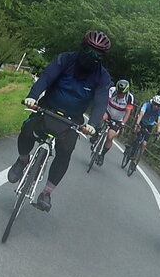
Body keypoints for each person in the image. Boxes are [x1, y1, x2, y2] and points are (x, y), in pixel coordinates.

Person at [8, 30, 113, 212]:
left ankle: (47, 193)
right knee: (27, 130)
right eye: (89, 51)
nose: (92, 56)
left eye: (97, 55)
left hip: (72, 119)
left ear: (102, 57)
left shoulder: (102, 77)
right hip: (47, 107)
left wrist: (92, 125)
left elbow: (101, 102)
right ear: (82, 47)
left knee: (65, 151)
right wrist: (33, 96)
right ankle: (23, 159)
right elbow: (46, 77)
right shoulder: (65, 59)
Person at [94, 79, 134, 162]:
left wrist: (123, 123)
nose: (119, 94)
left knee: (110, 137)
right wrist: (101, 111)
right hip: (108, 111)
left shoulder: (129, 97)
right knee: (101, 118)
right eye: (118, 92)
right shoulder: (112, 90)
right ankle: (96, 134)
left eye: (122, 93)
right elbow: (105, 102)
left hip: (118, 119)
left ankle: (102, 154)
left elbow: (128, 112)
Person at [130, 95, 160, 167]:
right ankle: (129, 142)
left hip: (149, 125)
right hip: (141, 122)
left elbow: (159, 122)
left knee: (144, 144)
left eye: (158, 105)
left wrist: (158, 132)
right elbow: (141, 114)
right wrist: (137, 124)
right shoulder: (146, 105)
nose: (156, 106)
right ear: (152, 103)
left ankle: (136, 160)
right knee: (136, 131)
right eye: (155, 104)